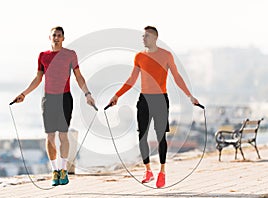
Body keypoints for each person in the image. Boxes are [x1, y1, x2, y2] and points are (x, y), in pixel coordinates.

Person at [108, 26, 199, 188]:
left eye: (147, 36)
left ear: (155, 38)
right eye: (143, 36)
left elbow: (177, 77)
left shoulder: (166, 55)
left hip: (161, 100)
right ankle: (148, 170)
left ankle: (162, 172)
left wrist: (189, 96)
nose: (143, 38)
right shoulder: (139, 56)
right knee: (141, 135)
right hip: (144, 100)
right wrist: (117, 95)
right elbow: (131, 79)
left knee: (160, 137)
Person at [12, 26, 95, 186]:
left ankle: (63, 170)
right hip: (48, 99)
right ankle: (54, 171)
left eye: (59, 35)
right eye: (53, 35)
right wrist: (24, 94)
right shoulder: (43, 56)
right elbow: (38, 78)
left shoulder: (70, 55)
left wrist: (87, 94)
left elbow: (79, 76)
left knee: (63, 135)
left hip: (65, 99)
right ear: (49, 38)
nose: (56, 38)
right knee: (50, 136)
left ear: (63, 38)